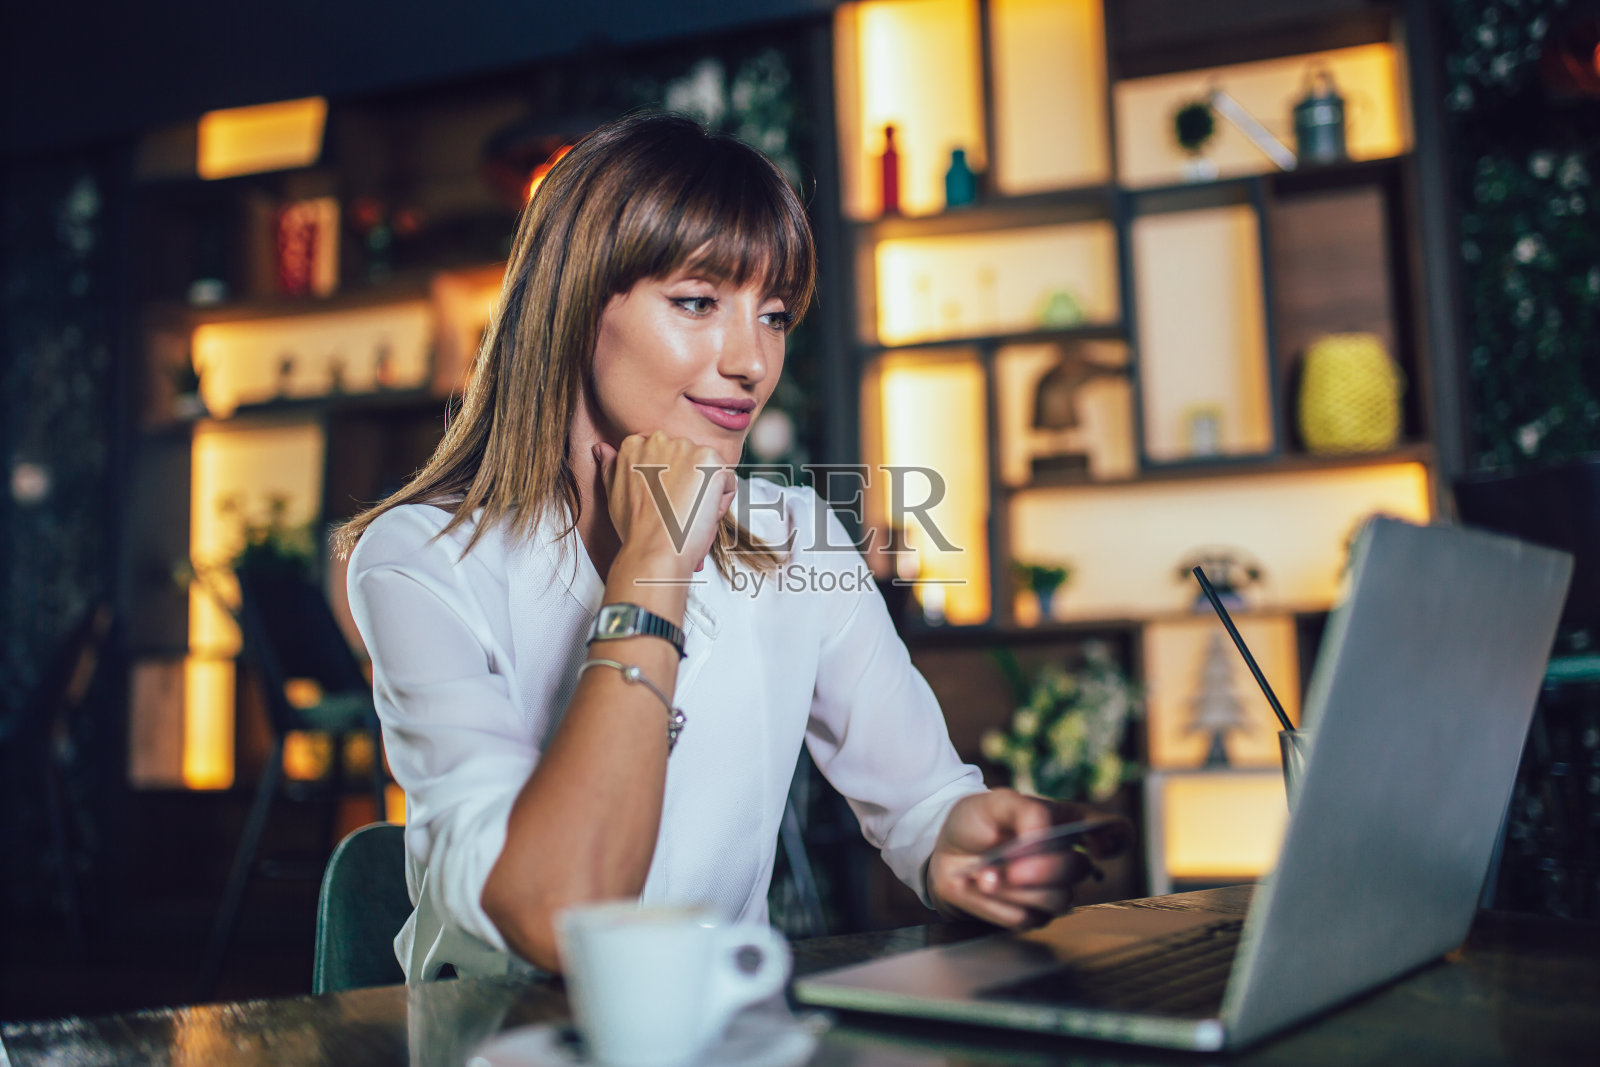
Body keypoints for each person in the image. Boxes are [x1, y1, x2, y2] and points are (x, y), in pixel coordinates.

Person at [337, 112, 1127, 982]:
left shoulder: (799, 537)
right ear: (575, 305)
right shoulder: (421, 559)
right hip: (495, 1034)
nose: (753, 361)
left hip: (723, 1029)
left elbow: (922, 799)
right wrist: (655, 565)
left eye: (775, 314)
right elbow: (557, 912)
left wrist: (957, 841)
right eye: (697, 302)